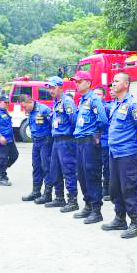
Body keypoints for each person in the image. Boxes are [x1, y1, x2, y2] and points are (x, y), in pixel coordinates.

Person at [102, 72, 137, 238]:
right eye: (113, 81)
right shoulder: (116, 103)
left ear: (126, 84)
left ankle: (135, 224)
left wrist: (132, 140)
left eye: (116, 81)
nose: (113, 83)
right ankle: (119, 218)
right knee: (115, 188)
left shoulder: (133, 104)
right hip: (114, 152)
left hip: (127, 153)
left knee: (129, 187)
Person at [71, 71, 108, 224]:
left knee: (92, 175)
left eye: (79, 81)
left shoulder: (94, 99)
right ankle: (87, 204)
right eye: (75, 81)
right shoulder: (81, 100)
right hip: (80, 141)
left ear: (87, 82)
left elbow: (103, 120)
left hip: (89, 142)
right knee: (81, 174)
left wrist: (96, 135)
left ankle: (96, 210)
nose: (76, 84)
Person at [45, 75, 78, 211]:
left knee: (68, 170)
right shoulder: (56, 102)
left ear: (60, 88)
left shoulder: (67, 102)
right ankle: (59, 198)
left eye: (53, 88)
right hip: (56, 141)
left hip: (66, 141)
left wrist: (70, 137)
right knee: (55, 169)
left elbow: (74, 121)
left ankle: (72, 200)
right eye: (49, 88)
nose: (50, 90)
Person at [21, 95, 53, 203]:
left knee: (46, 167)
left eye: (25, 106)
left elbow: (52, 124)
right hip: (36, 141)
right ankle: (36, 192)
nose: (24, 109)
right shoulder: (30, 111)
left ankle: (47, 194)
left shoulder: (44, 109)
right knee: (36, 166)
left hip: (45, 141)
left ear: (30, 102)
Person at [0, 96, 18, 186]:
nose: (7, 104)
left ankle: (1, 170)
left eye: (7, 103)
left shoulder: (5, 112)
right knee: (3, 159)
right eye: (5, 102)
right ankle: (2, 178)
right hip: (1, 140)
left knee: (15, 155)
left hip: (10, 140)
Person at [93, 87, 112, 201]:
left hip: (105, 141)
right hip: (91, 142)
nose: (96, 96)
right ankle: (97, 190)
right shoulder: (89, 107)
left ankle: (107, 190)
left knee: (106, 167)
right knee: (94, 167)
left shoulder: (107, 107)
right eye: (94, 94)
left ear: (103, 96)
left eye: (99, 94)